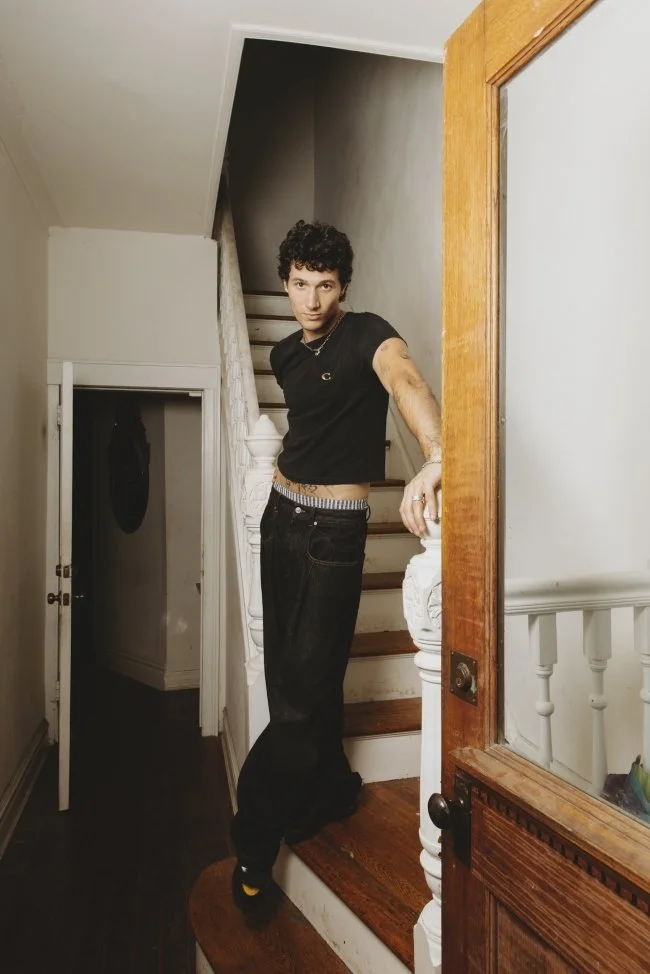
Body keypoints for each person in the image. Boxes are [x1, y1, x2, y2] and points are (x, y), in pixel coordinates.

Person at [230, 220, 442, 911]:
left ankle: (251, 847)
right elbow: (309, 431)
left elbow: (405, 380)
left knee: (296, 699)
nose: (311, 299)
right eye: (298, 283)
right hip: (280, 518)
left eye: (324, 285)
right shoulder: (285, 353)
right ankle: (327, 790)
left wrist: (437, 455)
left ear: (343, 286)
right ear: (286, 281)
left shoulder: (369, 335)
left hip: (335, 536)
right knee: (293, 676)